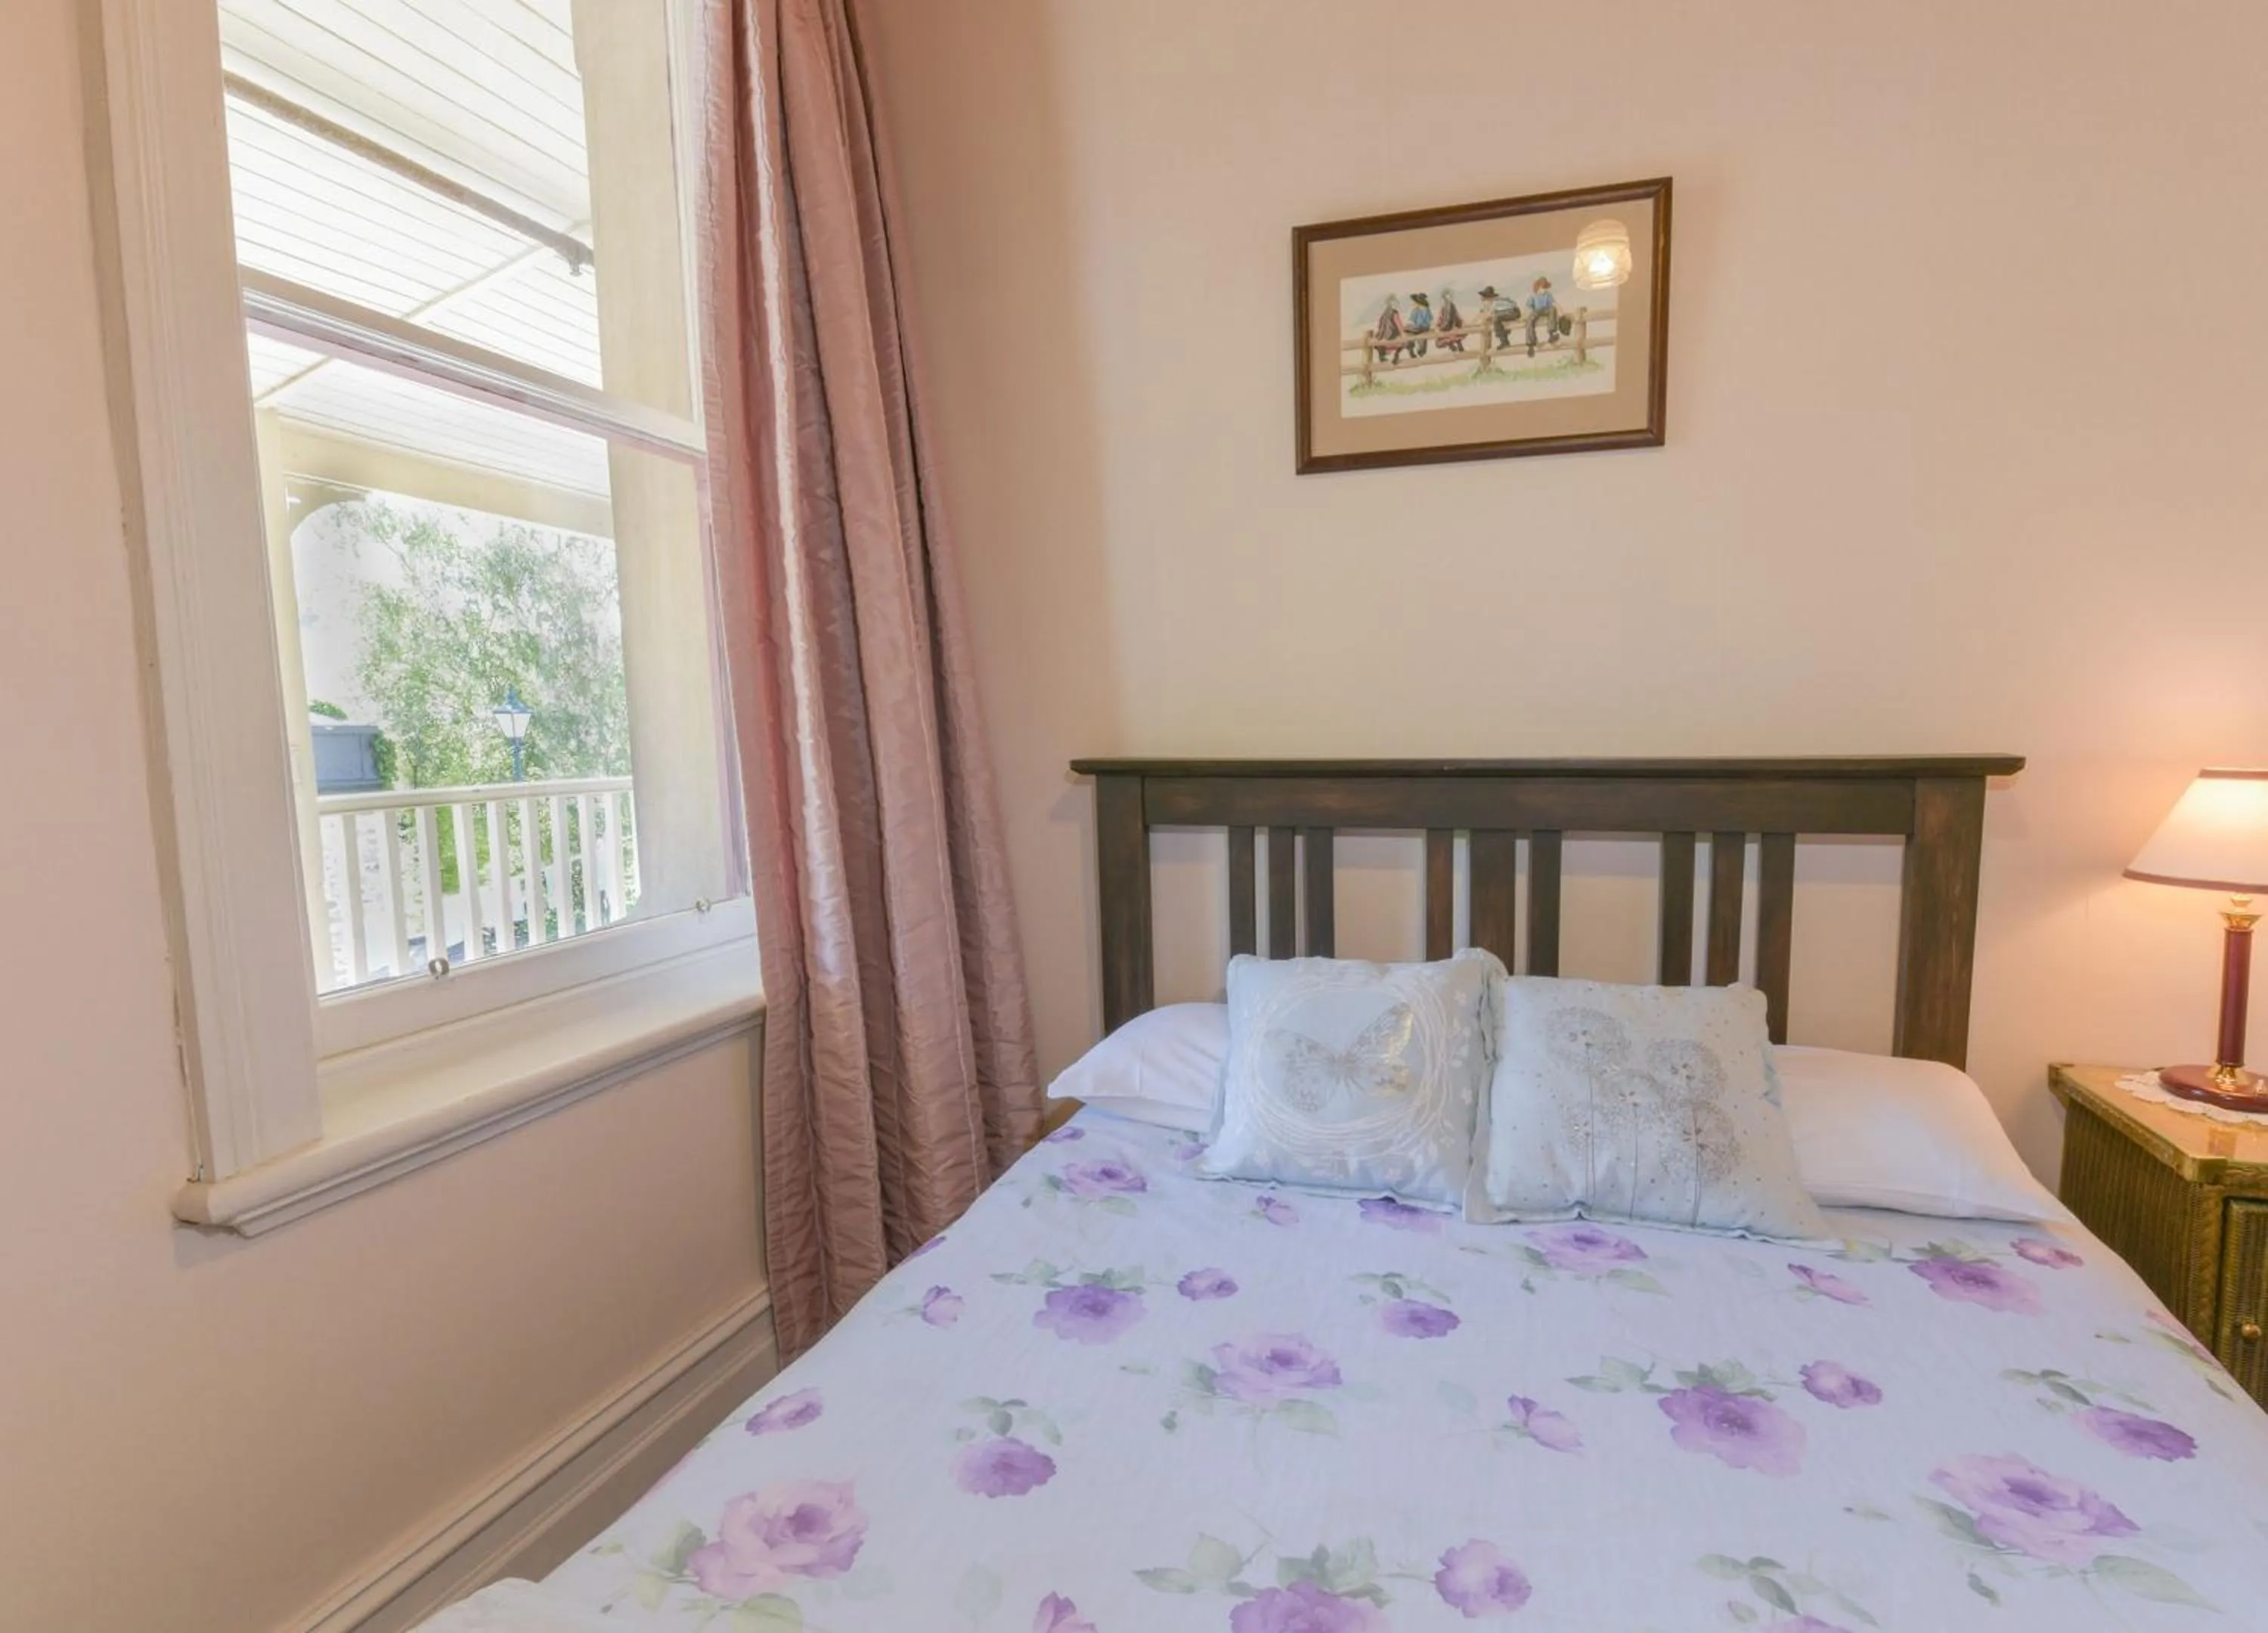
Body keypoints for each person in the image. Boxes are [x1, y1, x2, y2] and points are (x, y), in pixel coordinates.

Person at [1476, 284, 1519, 349]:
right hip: (1510, 311)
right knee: (1498, 319)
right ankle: (1504, 338)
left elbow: (1491, 313)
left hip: (1513, 312)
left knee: (1496, 319)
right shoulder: (1492, 302)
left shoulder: (1495, 302)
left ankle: (1504, 341)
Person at [1525, 275, 1558, 357]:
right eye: (1542, 287)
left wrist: (1561, 311)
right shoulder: (1533, 295)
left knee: (1552, 310)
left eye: (1545, 287)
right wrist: (1526, 315)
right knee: (1530, 320)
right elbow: (1528, 306)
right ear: (1539, 287)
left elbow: (1553, 304)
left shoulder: (1548, 294)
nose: (1543, 290)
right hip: (1537, 311)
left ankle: (1551, 333)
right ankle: (1531, 344)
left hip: (1546, 310)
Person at [1372, 294, 1405, 364]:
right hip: (1392, 335)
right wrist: (1403, 334)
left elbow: (1380, 325)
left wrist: (1380, 335)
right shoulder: (1394, 313)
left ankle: (1382, 356)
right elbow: (1399, 325)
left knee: (1381, 344)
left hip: (1382, 335)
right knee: (1403, 343)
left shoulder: (1384, 313)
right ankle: (1394, 356)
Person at [1434, 287, 1466, 352]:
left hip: (1446, 329)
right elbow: (1458, 319)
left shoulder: (1445, 307)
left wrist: (1438, 326)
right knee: (1450, 337)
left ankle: (1453, 346)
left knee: (1439, 342)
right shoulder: (1452, 306)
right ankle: (1455, 346)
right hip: (1451, 328)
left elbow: (1441, 319)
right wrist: (1460, 324)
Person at [1403, 292, 1433, 358]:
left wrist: (1415, 325)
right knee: (1409, 332)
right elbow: (1412, 319)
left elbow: (1423, 321)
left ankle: (1418, 351)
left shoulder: (1422, 309)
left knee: (1411, 331)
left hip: (1422, 327)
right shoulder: (1419, 309)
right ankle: (1412, 350)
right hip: (1419, 327)